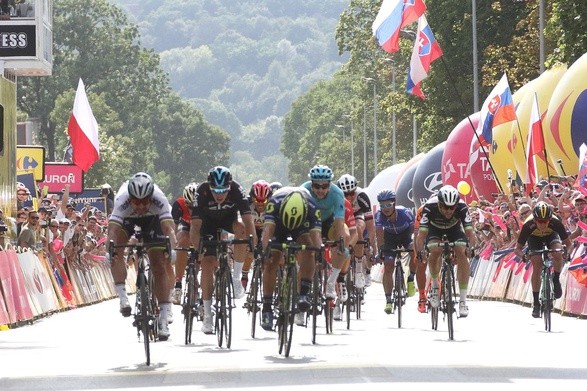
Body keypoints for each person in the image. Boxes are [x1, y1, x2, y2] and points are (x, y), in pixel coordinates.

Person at [108, 172, 177, 341]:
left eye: (144, 201)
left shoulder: (159, 198)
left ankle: (163, 319)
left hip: (154, 221)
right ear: (130, 198)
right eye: (136, 201)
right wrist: (108, 249)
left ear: (150, 197)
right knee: (115, 251)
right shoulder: (122, 200)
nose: (140, 206)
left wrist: (173, 248)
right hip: (127, 221)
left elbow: (169, 228)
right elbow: (113, 231)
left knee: (159, 265)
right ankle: (123, 297)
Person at [189, 166, 257, 334]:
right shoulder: (202, 191)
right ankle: (207, 315)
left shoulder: (236, 189)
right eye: (216, 190)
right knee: (207, 263)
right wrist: (199, 250)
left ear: (229, 187)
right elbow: (195, 228)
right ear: (210, 187)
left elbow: (249, 223)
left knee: (242, 231)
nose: (219, 195)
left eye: (223, 190)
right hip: (207, 226)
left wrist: (253, 246)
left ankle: (235, 278)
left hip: (228, 221)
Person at [259, 186, 322, 331]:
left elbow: (316, 237)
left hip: (301, 225)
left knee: (310, 249)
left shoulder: (312, 207)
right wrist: (264, 252)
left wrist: (318, 252)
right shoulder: (273, 203)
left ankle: (303, 294)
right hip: (278, 224)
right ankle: (267, 308)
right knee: (271, 259)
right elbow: (268, 231)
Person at [415, 185, 476, 318]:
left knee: (461, 251)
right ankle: (435, 286)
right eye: (445, 207)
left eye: (452, 207)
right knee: (435, 250)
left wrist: (470, 248)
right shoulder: (429, 206)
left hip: (454, 230)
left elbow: (470, 234)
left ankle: (463, 301)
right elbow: (421, 235)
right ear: (439, 204)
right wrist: (420, 251)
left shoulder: (462, 206)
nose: (449, 211)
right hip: (434, 230)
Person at [513, 201, 572, 318]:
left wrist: (567, 253)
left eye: (546, 221)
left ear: (549, 219)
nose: (543, 224)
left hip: (551, 235)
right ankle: (536, 303)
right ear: (535, 220)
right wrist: (524, 257)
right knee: (537, 264)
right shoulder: (528, 225)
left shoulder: (555, 222)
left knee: (558, 252)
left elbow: (569, 245)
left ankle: (556, 278)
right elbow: (517, 249)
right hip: (534, 238)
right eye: (540, 221)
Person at [302, 165, 348, 303]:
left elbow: (340, 221)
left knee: (343, 238)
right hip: (308, 222)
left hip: (328, 222)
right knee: (302, 249)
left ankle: (331, 282)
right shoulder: (303, 190)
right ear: (311, 184)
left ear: (330, 184)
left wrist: (340, 243)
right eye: (317, 186)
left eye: (324, 186)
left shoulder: (337, 193)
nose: (320, 190)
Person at [374, 190, 415, 314]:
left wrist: (413, 244)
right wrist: (381, 250)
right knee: (388, 266)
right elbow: (379, 235)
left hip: (406, 235)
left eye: (388, 205)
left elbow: (415, 232)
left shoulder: (405, 212)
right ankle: (388, 300)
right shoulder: (379, 215)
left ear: (394, 203)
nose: (385, 209)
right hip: (390, 237)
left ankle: (411, 278)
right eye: (382, 206)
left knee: (414, 251)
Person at [336, 174, 377, 288]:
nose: (349, 197)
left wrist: (369, 240)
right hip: (342, 216)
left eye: (351, 193)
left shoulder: (361, 196)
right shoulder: (335, 195)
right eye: (345, 194)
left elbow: (370, 223)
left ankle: (359, 271)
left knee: (358, 228)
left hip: (357, 215)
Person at [170, 182, 198, 305]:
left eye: (194, 207)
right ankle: (178, 285)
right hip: (185, 226)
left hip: (200, 227)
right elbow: (173, 228)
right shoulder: (179, 204)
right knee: (182, 241)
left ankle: (197, 280)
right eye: (189, 206)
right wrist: (174, 246)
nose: (191, 210)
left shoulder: (205, 204)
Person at [242, 180, 273, 289]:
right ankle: (244, 275)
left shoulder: (273, 205)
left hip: (266, 230)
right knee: (249, 251)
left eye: (264, 201)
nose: (260, 204)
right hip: (251, 229)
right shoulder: (246, 204)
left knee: (269, 255)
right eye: (257, 200)